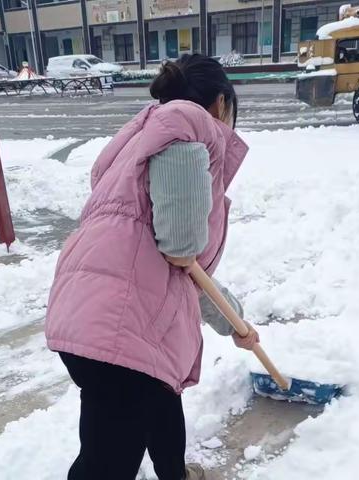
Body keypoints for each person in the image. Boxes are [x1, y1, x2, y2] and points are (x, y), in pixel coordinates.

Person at [45, 53, 260, 480]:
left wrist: (236, 323)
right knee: (106, 463)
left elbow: (184, 276)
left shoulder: (143, 137)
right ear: (221, 103)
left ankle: (173, 474)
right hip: (119, 330)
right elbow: (181, 248)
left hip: (101, 315)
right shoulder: (185, 127)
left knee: (160, 399)